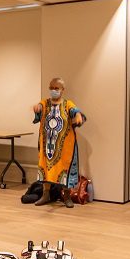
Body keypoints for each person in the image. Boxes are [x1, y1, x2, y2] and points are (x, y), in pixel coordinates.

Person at [31, 77, 86, 208]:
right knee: (45, 169)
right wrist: (37, 108)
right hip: (47, 147)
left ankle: (66, 196)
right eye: (51, 88)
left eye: (56, 88)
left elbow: (75, 111)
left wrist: (78, 115)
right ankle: (45, 195)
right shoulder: (45, 103)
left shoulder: (68, 104)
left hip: (65, 147)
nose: (53, 90)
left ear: (62, 90)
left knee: (65, 170)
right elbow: (39, 108)